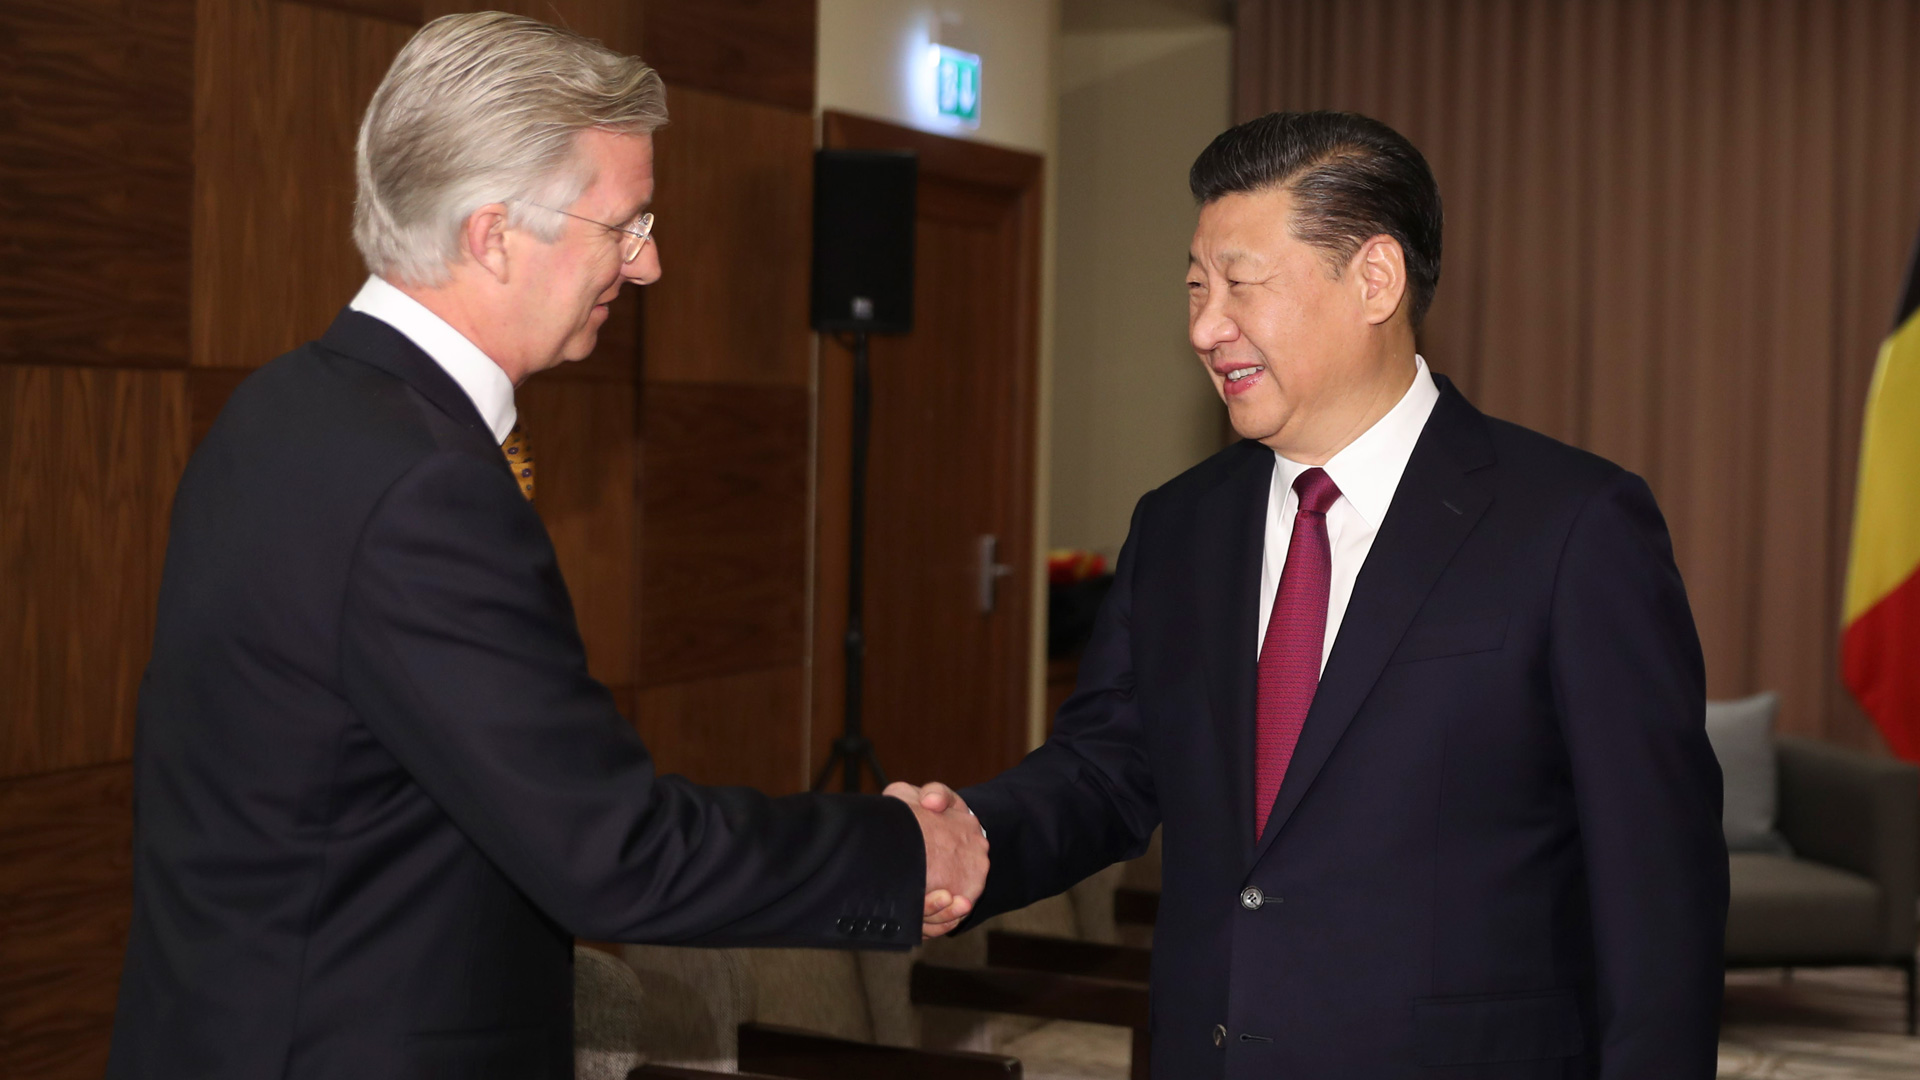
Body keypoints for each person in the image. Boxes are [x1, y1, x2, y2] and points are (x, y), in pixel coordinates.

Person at [105, 14, 984, 1079]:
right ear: (493, 235)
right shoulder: (423, 485)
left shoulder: (279, 408)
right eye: (625, 224)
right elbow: (614, 852)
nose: (648, 264)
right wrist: (898, 851)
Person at [905, 111, 1727, 1077]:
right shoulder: (1178, 525)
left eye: (1240, 284)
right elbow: (1107, 769)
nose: (1205, 328)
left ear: (1374, 279)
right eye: (1195, 287)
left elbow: (1656, 891)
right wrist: (976, 835)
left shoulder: (1573, 525)